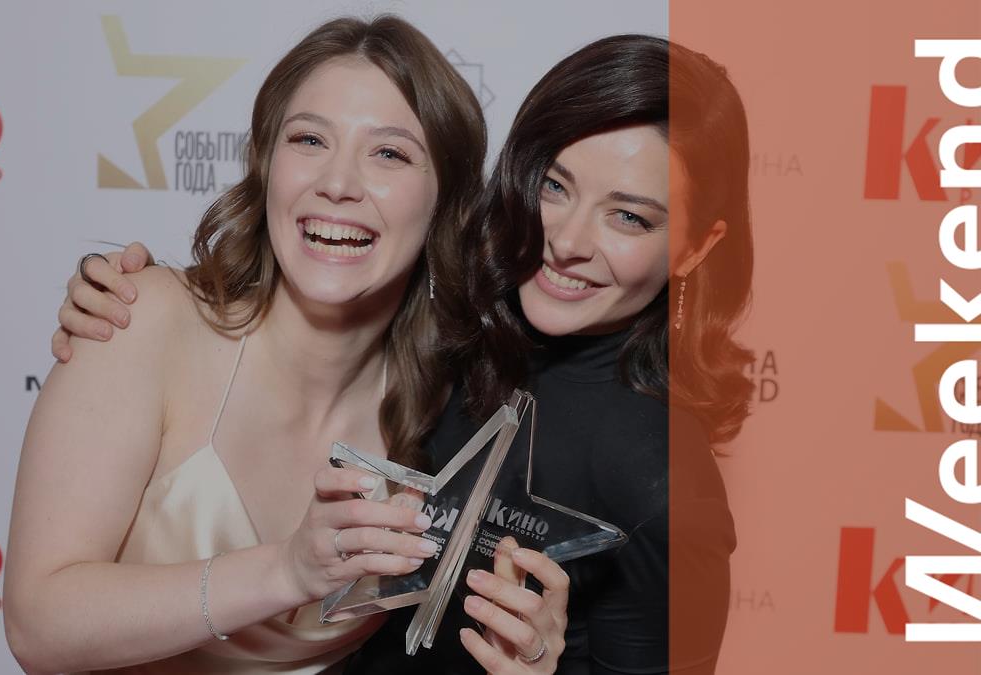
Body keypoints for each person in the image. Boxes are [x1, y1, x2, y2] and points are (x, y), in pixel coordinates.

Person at [59, 35, 753, 675]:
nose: (567, 241)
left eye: (629, 216)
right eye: (554, 185)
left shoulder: (665, 485)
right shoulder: (447, 342)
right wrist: (135, 306)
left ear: (696, 246)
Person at [3, 15, 515, 675]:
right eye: (309, 139)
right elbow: (36, 625)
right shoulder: (142, 319)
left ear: (445, 201)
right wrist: (286, 571)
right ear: (267, 166)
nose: (338, 182)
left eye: (389, 153)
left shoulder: (452, 405)